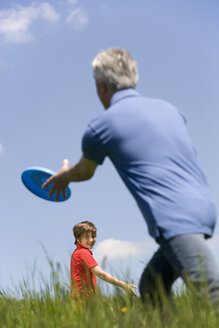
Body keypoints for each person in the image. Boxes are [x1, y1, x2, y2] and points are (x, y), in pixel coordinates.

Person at [42, 48, 219, 305]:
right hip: (205, 206)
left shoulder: (101, 127)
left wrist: (64, 177)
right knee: (151, 288)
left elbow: (84, 172)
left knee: (210, 293)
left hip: (176, 219)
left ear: (101, 85)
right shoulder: (169, 110)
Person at [70, 220, 136, 300]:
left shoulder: (77, 252)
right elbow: (100, 273)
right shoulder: (83, 253)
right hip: (83, 300)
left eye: (93, 236)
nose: (91, 240)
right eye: (87, 237)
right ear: (78, 239)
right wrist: (123, 285)